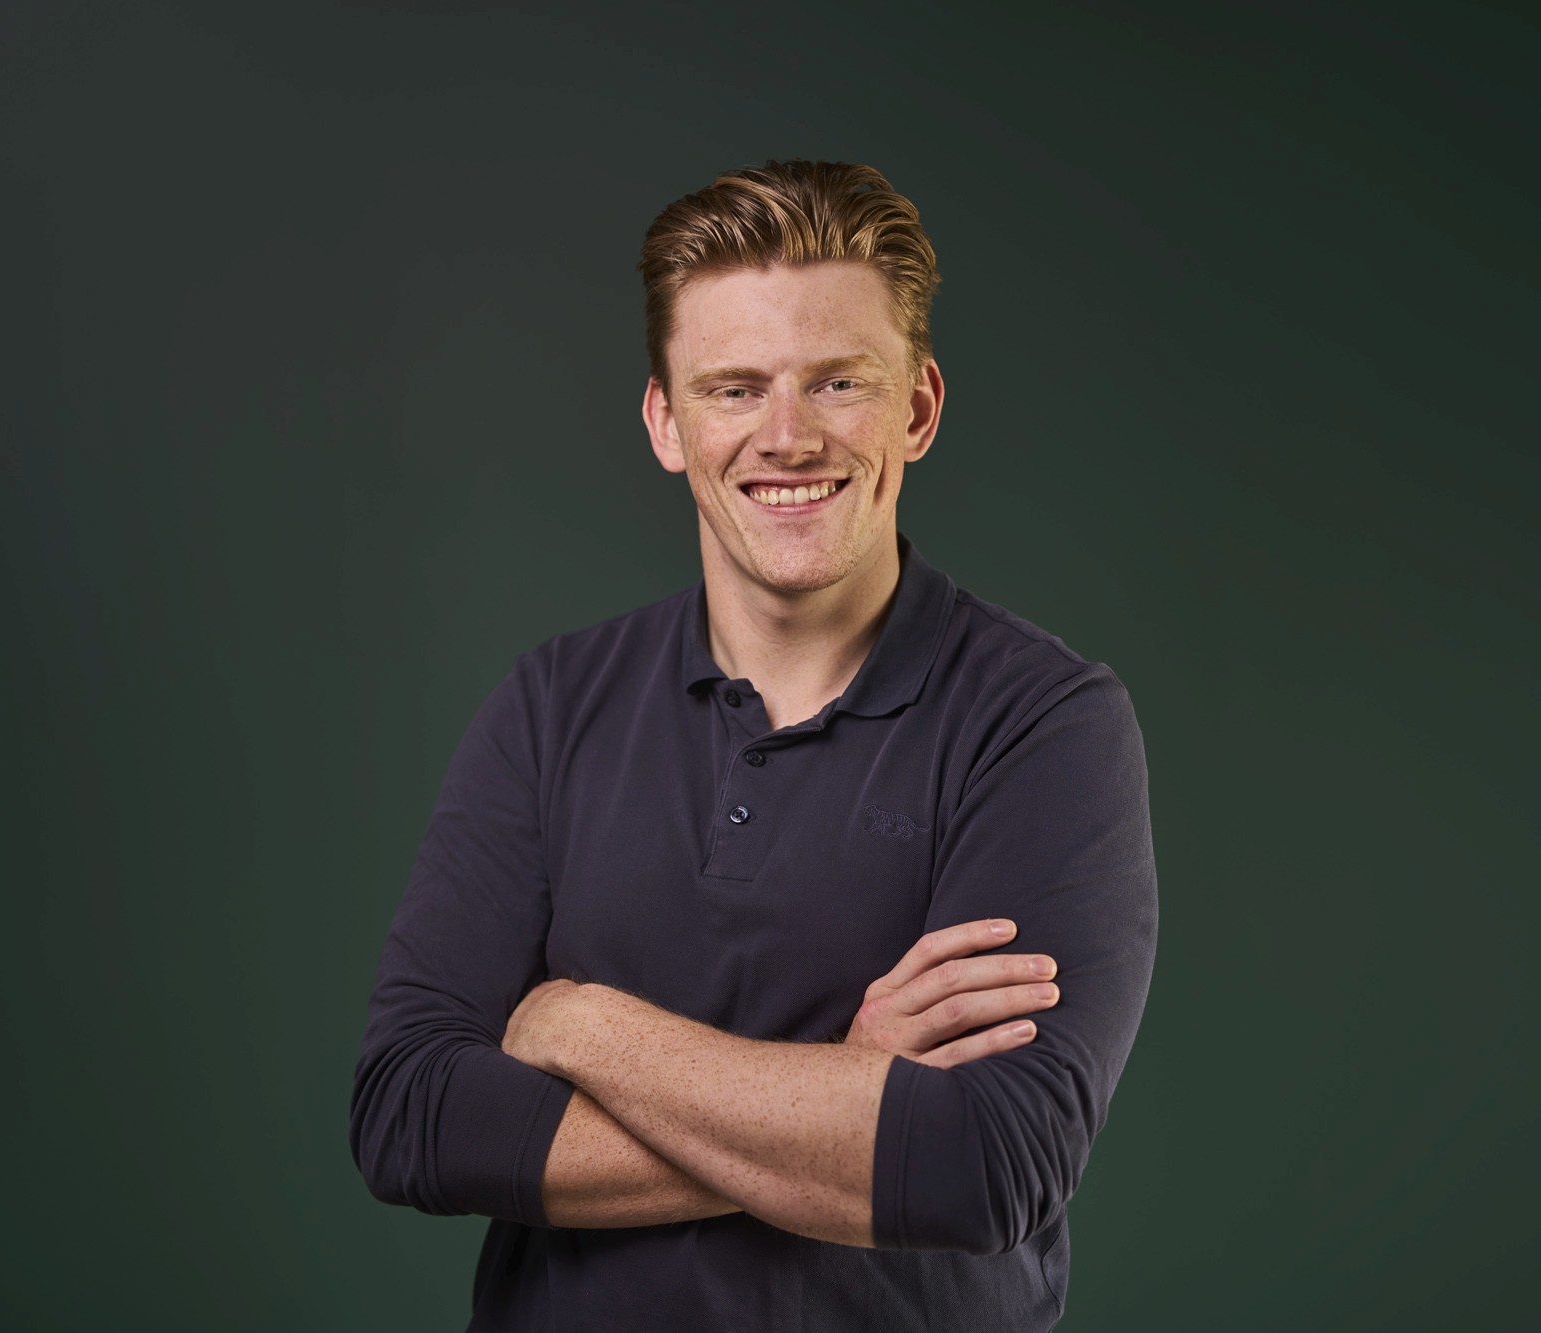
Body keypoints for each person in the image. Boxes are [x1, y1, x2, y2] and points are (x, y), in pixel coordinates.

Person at [350, 159, 1158, 1331]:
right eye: (732, 389)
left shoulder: (1042, 721)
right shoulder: (551, 703)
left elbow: (985, 1163)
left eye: (837, 382)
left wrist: (579, 1023)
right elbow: (410, 1116)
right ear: (664, 423)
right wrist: (846, 1085)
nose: (785, 438)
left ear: (917, 409)